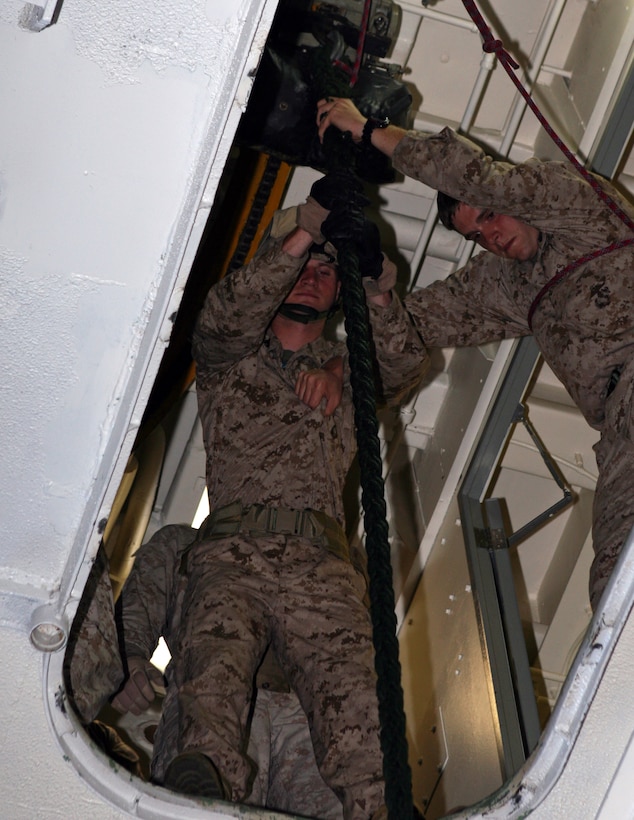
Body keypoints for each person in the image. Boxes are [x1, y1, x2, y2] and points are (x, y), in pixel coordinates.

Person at [152, 179, 428, 820]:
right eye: (302, 263)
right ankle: (201, 780)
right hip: (232, 553)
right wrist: (304, 228)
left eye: (327, 271)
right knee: (214, 671)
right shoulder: (229, 357)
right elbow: (221, 316)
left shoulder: (350, 369)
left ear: (341, 293)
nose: (311, 277)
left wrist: (377, 278)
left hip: (321, 567)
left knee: (357, 705)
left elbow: (404, 360)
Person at [316, 96, 634, 611]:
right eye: (477, 236)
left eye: (490, 217)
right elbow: (418, 322)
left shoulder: (572, 206)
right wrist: (352, 312)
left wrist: (367, 129)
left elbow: (476, 176)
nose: (493, 237)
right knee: (614, 583)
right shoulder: (505, 285)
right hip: (620, 430)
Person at [110, 522, 344, 819]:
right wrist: (129, 663)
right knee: (201, 807)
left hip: (307, 719)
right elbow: (133, 620)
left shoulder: (317, 554)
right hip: (211, 702)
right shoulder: (184, 543)